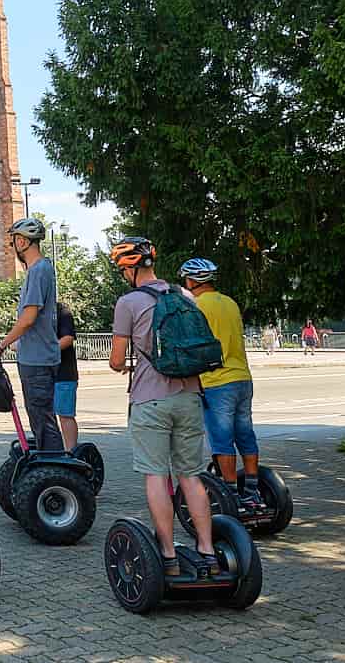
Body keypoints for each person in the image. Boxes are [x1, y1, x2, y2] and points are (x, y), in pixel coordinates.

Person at [108, 237, 219, 579]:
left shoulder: (128, 302)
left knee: (157, 476)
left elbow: (115, 360)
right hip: (189, 395)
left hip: (150, 399)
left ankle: (168, 555)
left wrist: (125, 365)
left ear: (129, 268)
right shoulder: (184, 296)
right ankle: (208, 551)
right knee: (191, 477)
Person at [182, 258, 261, 509]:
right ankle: (252, 490)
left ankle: (230, 495)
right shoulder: (230, 302)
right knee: (245, 435)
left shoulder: (194, 305)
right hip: (242, 378)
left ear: (192, 281)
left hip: (216, 381)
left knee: (222, 439)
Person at [0, 217, 63, 451]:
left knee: (43, 422)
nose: (12, 247)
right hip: (36, 356)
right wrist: (18, 344)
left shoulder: (38, 270)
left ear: (22, 242)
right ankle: (50, 470)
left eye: (13, 241)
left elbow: (29, 318)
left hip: (38, 361)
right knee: (40, 421)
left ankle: (54, 476)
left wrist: (1, 345)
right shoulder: (40, 270)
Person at [55, 301, 80, 449]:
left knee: (65, 415)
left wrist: (44, 352)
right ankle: (53, 451)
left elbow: (68, 338)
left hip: (63, 373)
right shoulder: (31, 311)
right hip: (41, 374)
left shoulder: (61, 310)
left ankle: (71, 452)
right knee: (46, 416)